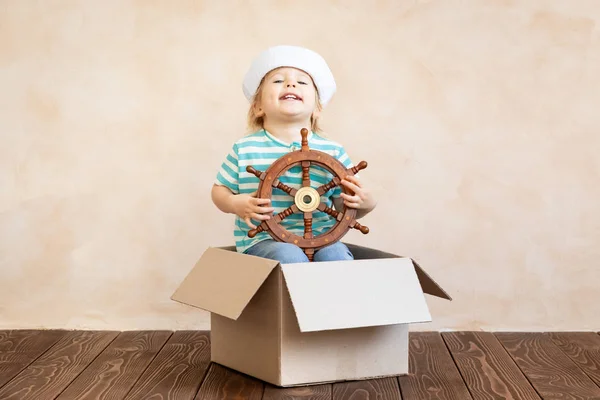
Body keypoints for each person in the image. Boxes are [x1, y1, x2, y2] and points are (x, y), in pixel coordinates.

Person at [211, 45, 377, 263]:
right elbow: (219, 191)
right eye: (278, 80)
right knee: (288, 254)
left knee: (337, 256)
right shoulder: (245, 148)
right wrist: (235, 204)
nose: (291, 84)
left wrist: (367, 203)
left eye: (302, 82)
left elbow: (341, 205)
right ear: (258, 106)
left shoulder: (333, 151)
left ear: (317, 108)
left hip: (323, 240)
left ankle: (333, 297)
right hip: (263, 241)